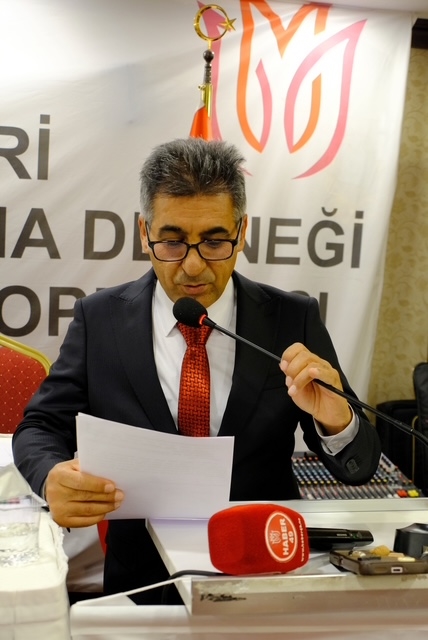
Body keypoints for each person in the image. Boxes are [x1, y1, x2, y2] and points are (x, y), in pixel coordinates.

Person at [13, 137, 381, 603]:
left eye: (214, 241)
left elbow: (359, 466)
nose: (192, 266)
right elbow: (40, 426)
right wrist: (51, 476)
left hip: (266, 569)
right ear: (144, 232)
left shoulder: (291, 318)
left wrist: (337, 420)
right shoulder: (100, 319)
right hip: (142, 582)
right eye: (172, 241)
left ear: (241, 232)